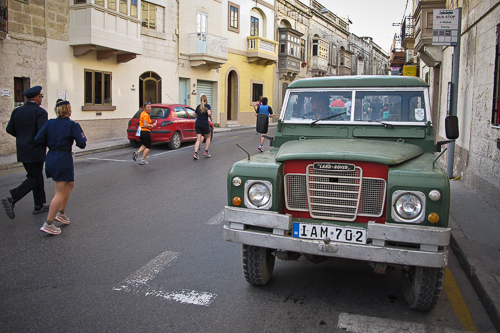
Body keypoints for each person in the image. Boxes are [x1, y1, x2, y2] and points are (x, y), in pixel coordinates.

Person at [34, 97, 87, 235]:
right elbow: (82, 143)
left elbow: (38, 138)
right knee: (59, 192)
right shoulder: (72, 125)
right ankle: (49, 223)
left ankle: (61, 212)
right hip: (63, 158)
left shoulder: (50, 123)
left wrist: (52, 142)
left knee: (70, 184)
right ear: (68, 110)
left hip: (51, 156)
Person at [2, 86, 49, 219]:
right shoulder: (40, 112)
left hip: (22, 149)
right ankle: (13, 198)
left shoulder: (17, 112)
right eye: (41, 97)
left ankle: (38, 205)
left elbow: (9, 129)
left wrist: (23, 137)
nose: (41, 99)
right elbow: (42, 132)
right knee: (34, 178)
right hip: (35, 150)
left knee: (36, 176)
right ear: (36, 97)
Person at [193, 95, 213, 159]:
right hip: (204, 123)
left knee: (198, 139)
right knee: (208, 137)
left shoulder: (198, 107)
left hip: (198, 123)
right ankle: (206, 151)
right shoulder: (207, 106)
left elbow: (195, 115)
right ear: (206, 100)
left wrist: (198, 115)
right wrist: (211, 117)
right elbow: (209, 113)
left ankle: (195, 153)